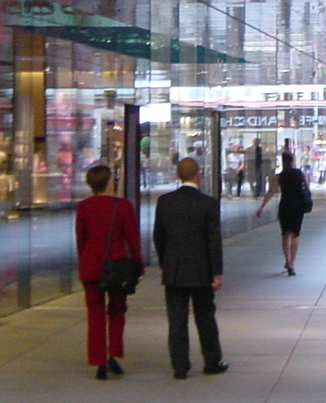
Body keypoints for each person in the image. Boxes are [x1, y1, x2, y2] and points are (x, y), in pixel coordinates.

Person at [154, 157, 227, 378]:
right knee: (205, 315)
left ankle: (180, 366)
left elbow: (159, 236)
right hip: (201, 269)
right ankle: (212, 360)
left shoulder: (165, 202)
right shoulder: (208, 203)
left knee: (176, 318)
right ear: (198, 173)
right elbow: (213, 240)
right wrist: (216, 272)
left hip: (174, 269)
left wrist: (164, 262)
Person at [74, 163, 142, 380]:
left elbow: (81, 239)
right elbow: (132, 239)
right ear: (110, 182)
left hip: (90, 266)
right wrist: (138, 266)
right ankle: (114, 353)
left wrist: (83, 262)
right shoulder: (122, 206)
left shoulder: (83, 207)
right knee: (117, 311)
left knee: (94, 314)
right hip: (117, 265)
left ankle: (98, 361)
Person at [256, 147, 310, 274]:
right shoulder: (300, 173)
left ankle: (286, 259)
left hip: (285, 205)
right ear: (292, 160)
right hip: (298, 206)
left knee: (285, 233)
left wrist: (262, 207)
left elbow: (271, 191)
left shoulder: (279, 176)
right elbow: (307, 188)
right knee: (295, 234)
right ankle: (292, 263)